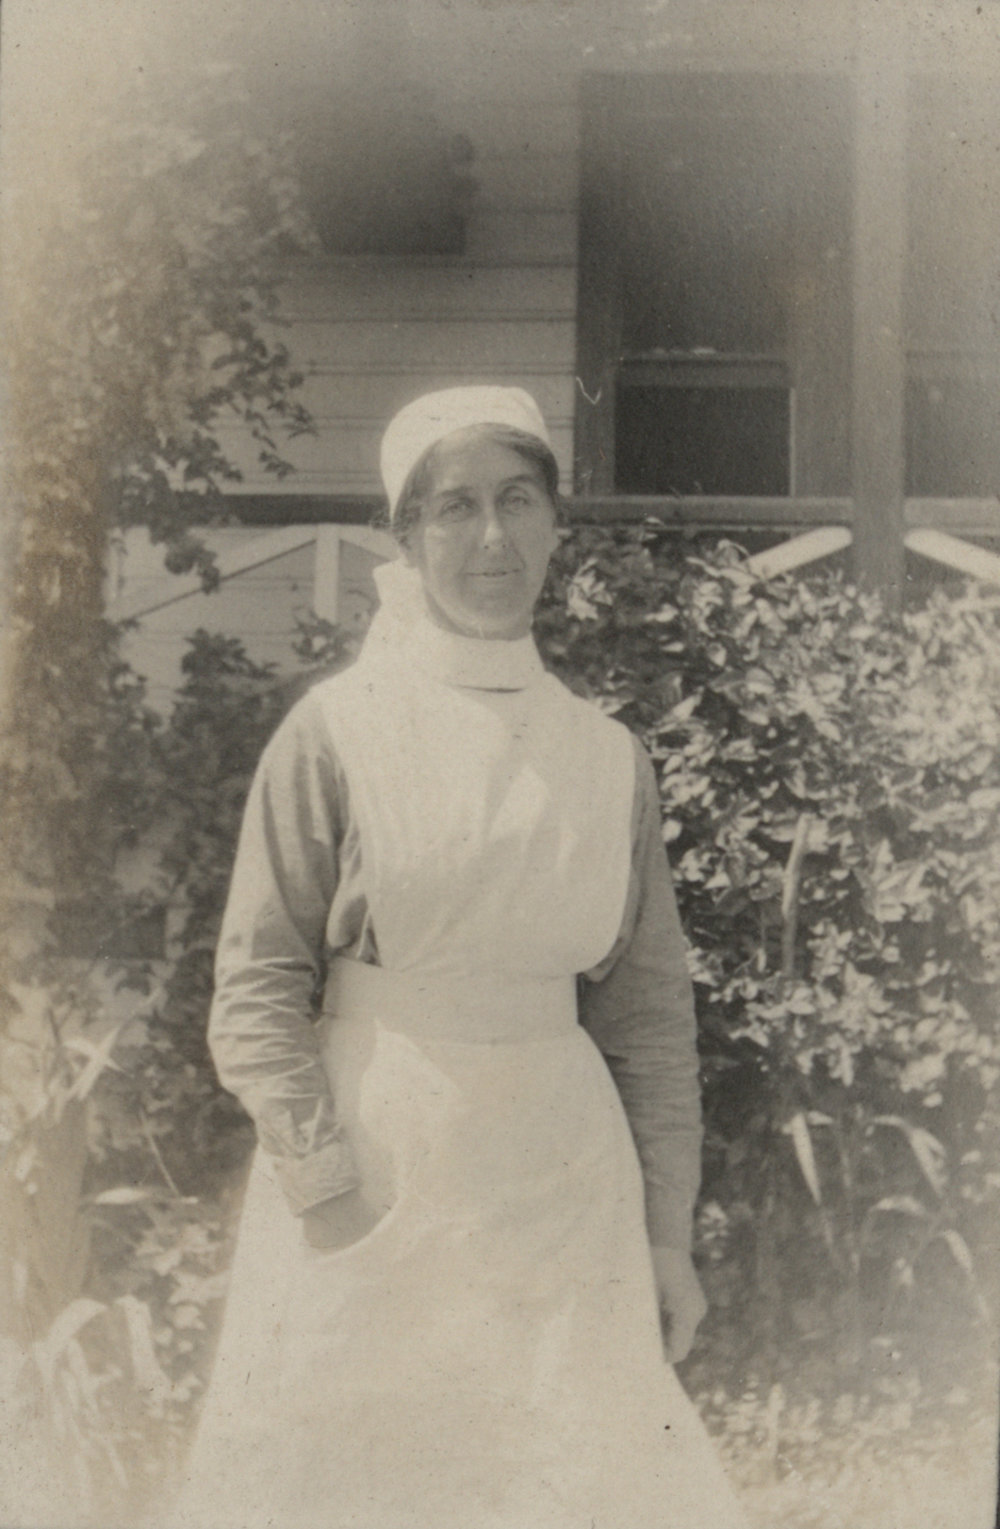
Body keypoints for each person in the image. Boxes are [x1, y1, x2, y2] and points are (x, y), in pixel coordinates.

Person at [174, 387, 747, 1528]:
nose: (490, 538)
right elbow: (255, 992)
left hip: (562, 1181)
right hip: (380, 1166)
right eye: (455, 508)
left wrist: (664, 1241)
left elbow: (645, 1021)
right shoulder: (338, 731)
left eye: (517, 500)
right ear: (409, 533)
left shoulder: (606, 756)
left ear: (552, 522)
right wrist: (330, 1192)